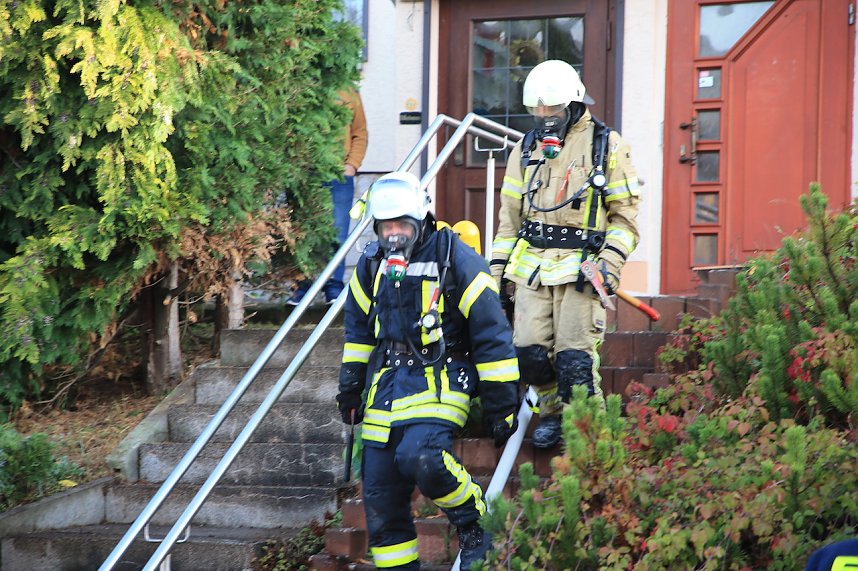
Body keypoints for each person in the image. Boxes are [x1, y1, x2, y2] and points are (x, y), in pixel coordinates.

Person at [336, 171, 520, 570]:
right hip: (386, 387)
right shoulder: (371, 265)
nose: (394, 235)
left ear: (421, 219)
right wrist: (351, 386)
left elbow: (492, 334)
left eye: (402, 225)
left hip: (442, 374)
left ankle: (474, 522)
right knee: (380, 494)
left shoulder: (456, 258)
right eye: (386, 227)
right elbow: (358, 331)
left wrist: (501, 404)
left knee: (423, 458)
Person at [489, 59, 641, 449]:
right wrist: (497, 273)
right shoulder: (525, 149)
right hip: (532, 270)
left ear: (573, 103)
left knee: (574, 360)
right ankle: (553, 414)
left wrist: (609, 264)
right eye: (536, 110)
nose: (543, 118)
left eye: (551, 110)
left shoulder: (606, 145)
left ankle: (586, 434)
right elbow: (508, 220)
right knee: (529, 354)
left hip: (581, 268)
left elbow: (625, 219)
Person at [288, 87, 368, 306]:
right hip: (304, 175)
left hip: (338, 176)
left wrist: (351, 165)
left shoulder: (349, 91)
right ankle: (300, 287)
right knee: (300, 234)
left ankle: (333, 287)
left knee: (337, 234)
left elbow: (360, 132)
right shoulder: (300, 85)